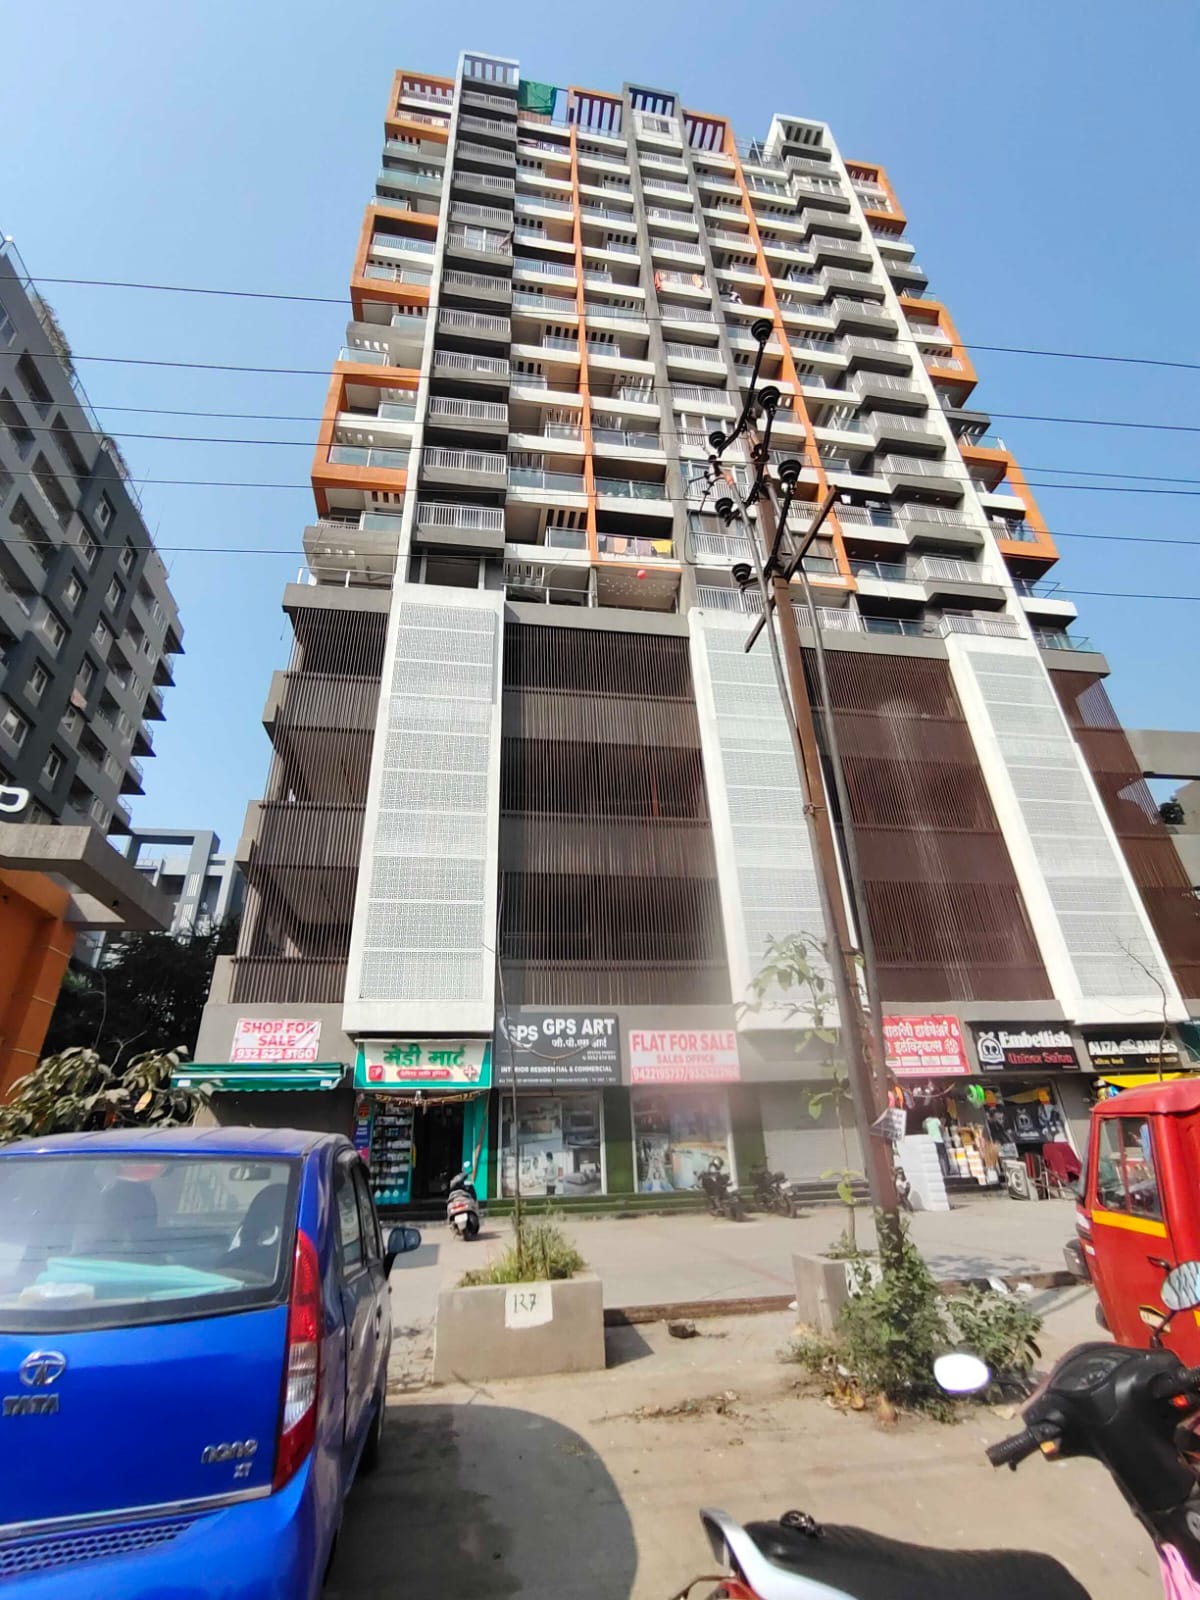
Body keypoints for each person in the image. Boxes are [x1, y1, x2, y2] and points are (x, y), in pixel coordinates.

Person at [923, 1113, 952, 1178]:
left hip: (932, 1142)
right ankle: (947, 1172)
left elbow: (925, 1131)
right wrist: (943, 1132)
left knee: (937, 1157)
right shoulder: (936, 1120)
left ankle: (940, 1172)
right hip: (939, 1140)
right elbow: (942, 1128)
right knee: (944, 1156)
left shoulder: (925, 1123)